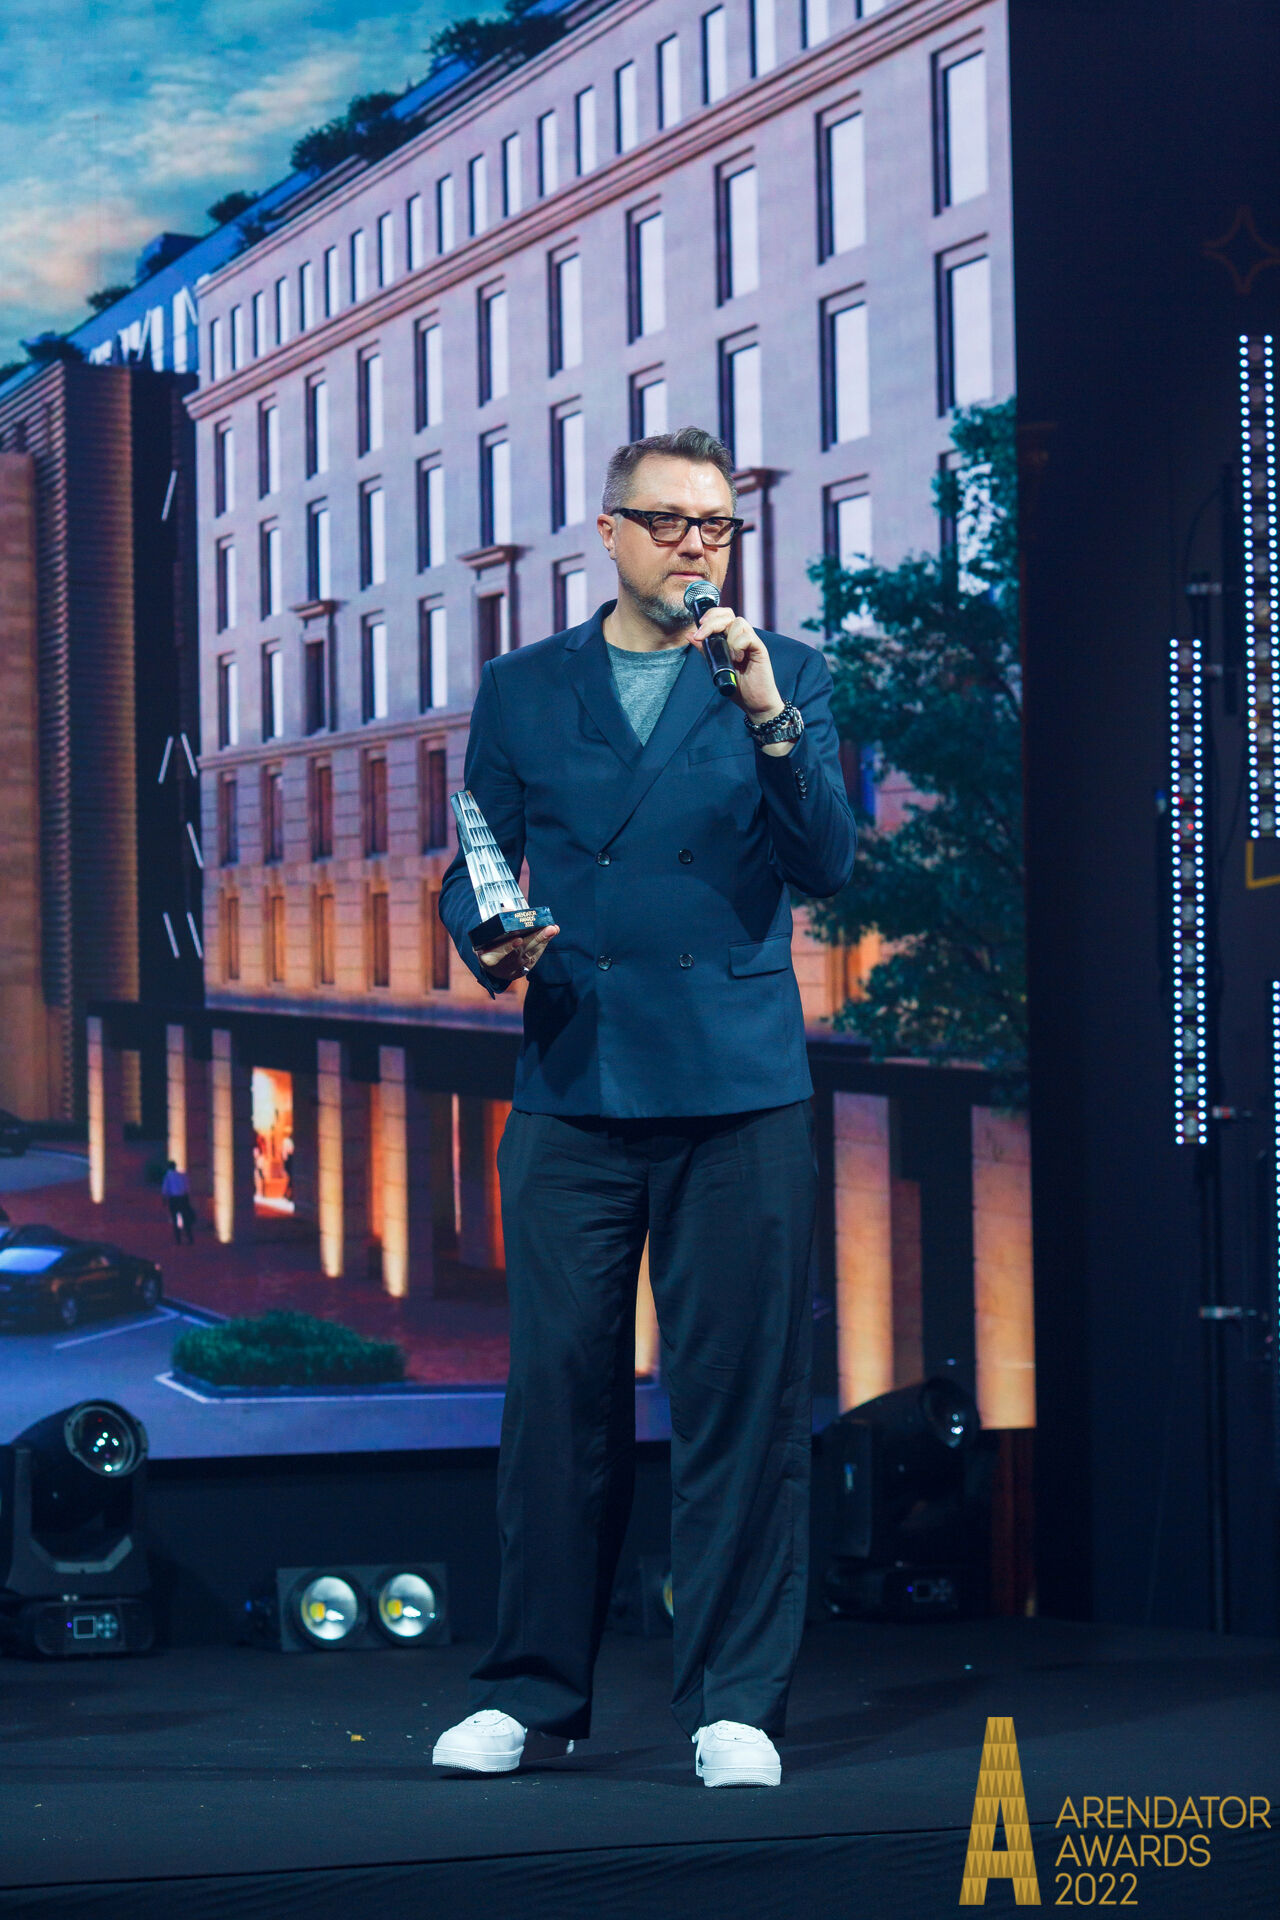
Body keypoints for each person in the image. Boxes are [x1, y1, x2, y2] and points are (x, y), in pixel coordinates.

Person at [432, 427, 857, 1789]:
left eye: (715, 525)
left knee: (738, 1403)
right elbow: (476, 858)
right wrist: (488, 933)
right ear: (608, 532)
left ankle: (733, 1702)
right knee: (557, 1401)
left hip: (735, 1086)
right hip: (574, 1076)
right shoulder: (522, 686)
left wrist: (766, 711)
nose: (693, 545)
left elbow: (825, 861)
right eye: (668, 521)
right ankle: (532, 1694)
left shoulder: (786, 674)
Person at [161, 1161, 194, 1245]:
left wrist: (164, 1200)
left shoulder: (168, 1176)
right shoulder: (182, 1175)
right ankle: (189, 1238)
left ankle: (178, 1239)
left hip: (174, 1199)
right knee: (186, 1219)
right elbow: (187, 1188)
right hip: (183, 1199)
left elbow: (165, 1190)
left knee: (175, 1219)